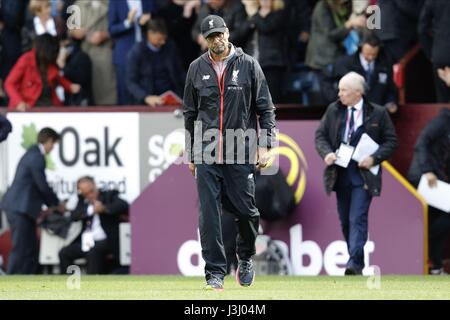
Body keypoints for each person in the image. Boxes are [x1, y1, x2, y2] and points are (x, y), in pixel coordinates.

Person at [183, 15, 276, 290]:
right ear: (205, 40)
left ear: (227, 33)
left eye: (220, 34)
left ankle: (245, 257)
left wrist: (266, 144)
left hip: (241, 151)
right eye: (211, 36)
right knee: (209, 214)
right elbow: (190, 114)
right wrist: (190, 153)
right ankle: (214, 272)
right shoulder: (196, 69)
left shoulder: (249, 65)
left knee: (247, 212)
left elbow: (266, 109)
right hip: (206, 152)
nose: (217, 39)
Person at [315, 72, 398, 275]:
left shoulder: (378, 113)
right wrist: (326, 154)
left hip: (363, 175)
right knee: (345, 220)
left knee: (357, 217)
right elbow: (320, 135)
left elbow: (391, 141)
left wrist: (374, 158)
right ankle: (356, 259)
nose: (339, 94)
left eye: (344, 90)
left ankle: (353, 264)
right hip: (340, 173)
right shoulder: (334, 110)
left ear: (357, 92)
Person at [1, 127, 65, 274]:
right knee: (21, 247)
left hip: (24, 209)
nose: (52, 148)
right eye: (53, 144)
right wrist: (56, 204)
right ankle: (11, 282)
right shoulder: (36, 157)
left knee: (31, 248)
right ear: (48, 141)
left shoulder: (32, 154)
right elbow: (42, 185)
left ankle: (27, 280)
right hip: (19, 208)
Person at [407, 108, 450, 275]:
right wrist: (427, 170)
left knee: (436, 220)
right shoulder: (442, 120)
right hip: (423, 178)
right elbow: (421, 142)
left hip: (435, 180)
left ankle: (436, 267)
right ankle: (423, 240)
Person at [59, 176, 129, 275]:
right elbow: (74, 216)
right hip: (87, 241)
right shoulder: (82, 200)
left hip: (105, 240)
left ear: (95, 185)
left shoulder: (108, 195)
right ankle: (71, 283)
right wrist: (90, 210)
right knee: (64, 253)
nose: (90, 195)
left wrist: (104, 208)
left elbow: (123, 205)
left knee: (93, 252)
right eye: (86, 193)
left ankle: (91, 284)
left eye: (91, 191)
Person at [4, 33, 81, 111]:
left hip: (49, 105)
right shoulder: (26, 59)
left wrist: (69, 86)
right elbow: (9, 83)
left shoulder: (50, 62)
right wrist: (19, 102)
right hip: (28, 106)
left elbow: (57, 77)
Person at [331, 33, 399, 113]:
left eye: (374, 54)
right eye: (367, 54)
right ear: (361, 48)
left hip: (377, 114)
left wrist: (390, 102)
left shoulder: (385, 64)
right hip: (351, 112)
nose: (370, 57)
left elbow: (390, 88)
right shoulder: (344, 64)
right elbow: (335, 88)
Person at [126, 18, 185, 106]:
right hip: (147, 99)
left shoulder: (170, 47)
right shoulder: (136, 52)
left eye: (164, 38)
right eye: (159, 39)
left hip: (171, 97)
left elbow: (180, 73)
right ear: (150, 34)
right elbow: (131, 82)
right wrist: (146, 97)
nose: (163, 42)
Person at [108, 0, 155, 105]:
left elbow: (156, 20)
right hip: (124, 54)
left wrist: (148, 20)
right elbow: (111, 30)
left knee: (148, 88)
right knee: (125, 92)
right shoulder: (115, 2)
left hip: (146, 51)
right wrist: (128, 22)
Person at [418, 0, 450, 103]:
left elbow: (422, 29)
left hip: (440, 54)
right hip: (440, 53)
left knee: (442, 98)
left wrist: (430, 53)